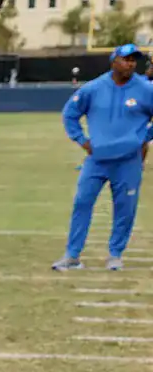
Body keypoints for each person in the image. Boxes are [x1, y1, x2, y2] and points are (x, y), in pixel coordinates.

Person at [53, 44, 153, 272]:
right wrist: (82, 140)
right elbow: (70, 114)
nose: (130, 63)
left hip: (128, 161)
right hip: (97, 159)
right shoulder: (94, 88)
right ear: (113, 61)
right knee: (82, 203)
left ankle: (115, 254)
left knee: (125, 209)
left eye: (133, 60)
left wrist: (143, 137)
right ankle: (72, 255)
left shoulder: (146, 89)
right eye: (125, 59)